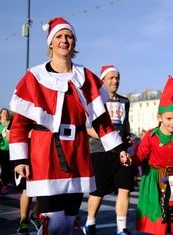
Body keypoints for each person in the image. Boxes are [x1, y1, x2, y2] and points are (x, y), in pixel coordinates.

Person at [8, 17, 129, 235]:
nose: (65, 40)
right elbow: (19, 124)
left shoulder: (85, 77)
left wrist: (119, 149)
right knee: (53, 223)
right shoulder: (34, 77)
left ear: (74, 43)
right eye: (60, 36)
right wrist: (20, 159)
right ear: (50, 43)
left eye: (69, 36)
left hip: (77, 153)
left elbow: (101, 119)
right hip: (45, 154)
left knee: (68, 221)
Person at [131, 75, 173, 235]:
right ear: (159, 118)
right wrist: (130, 161)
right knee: (159, 219)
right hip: (154, 181)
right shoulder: (151, 136)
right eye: (169, 118)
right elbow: (140, 156)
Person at [83, 65, 134, 235]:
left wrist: (128, 137)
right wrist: (107, 138)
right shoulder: (95, 101)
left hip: (122, 151)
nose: (115, 81)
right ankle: (89, 223)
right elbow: (87, 128)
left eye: (117, 78)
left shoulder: (124, 101)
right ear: (102, 80)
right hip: (99, 150)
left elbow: (125, 125)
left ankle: (121, 228)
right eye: (111, 78)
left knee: (124, 188)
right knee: (98, 191)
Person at [0, 108, 12, 194]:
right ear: (0, 114)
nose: (5, 114)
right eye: (3, 113)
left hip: (8, 149)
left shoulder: (10, 124)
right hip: (0, 149)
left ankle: (4, 185)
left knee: (5, 168)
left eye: (6, 113)